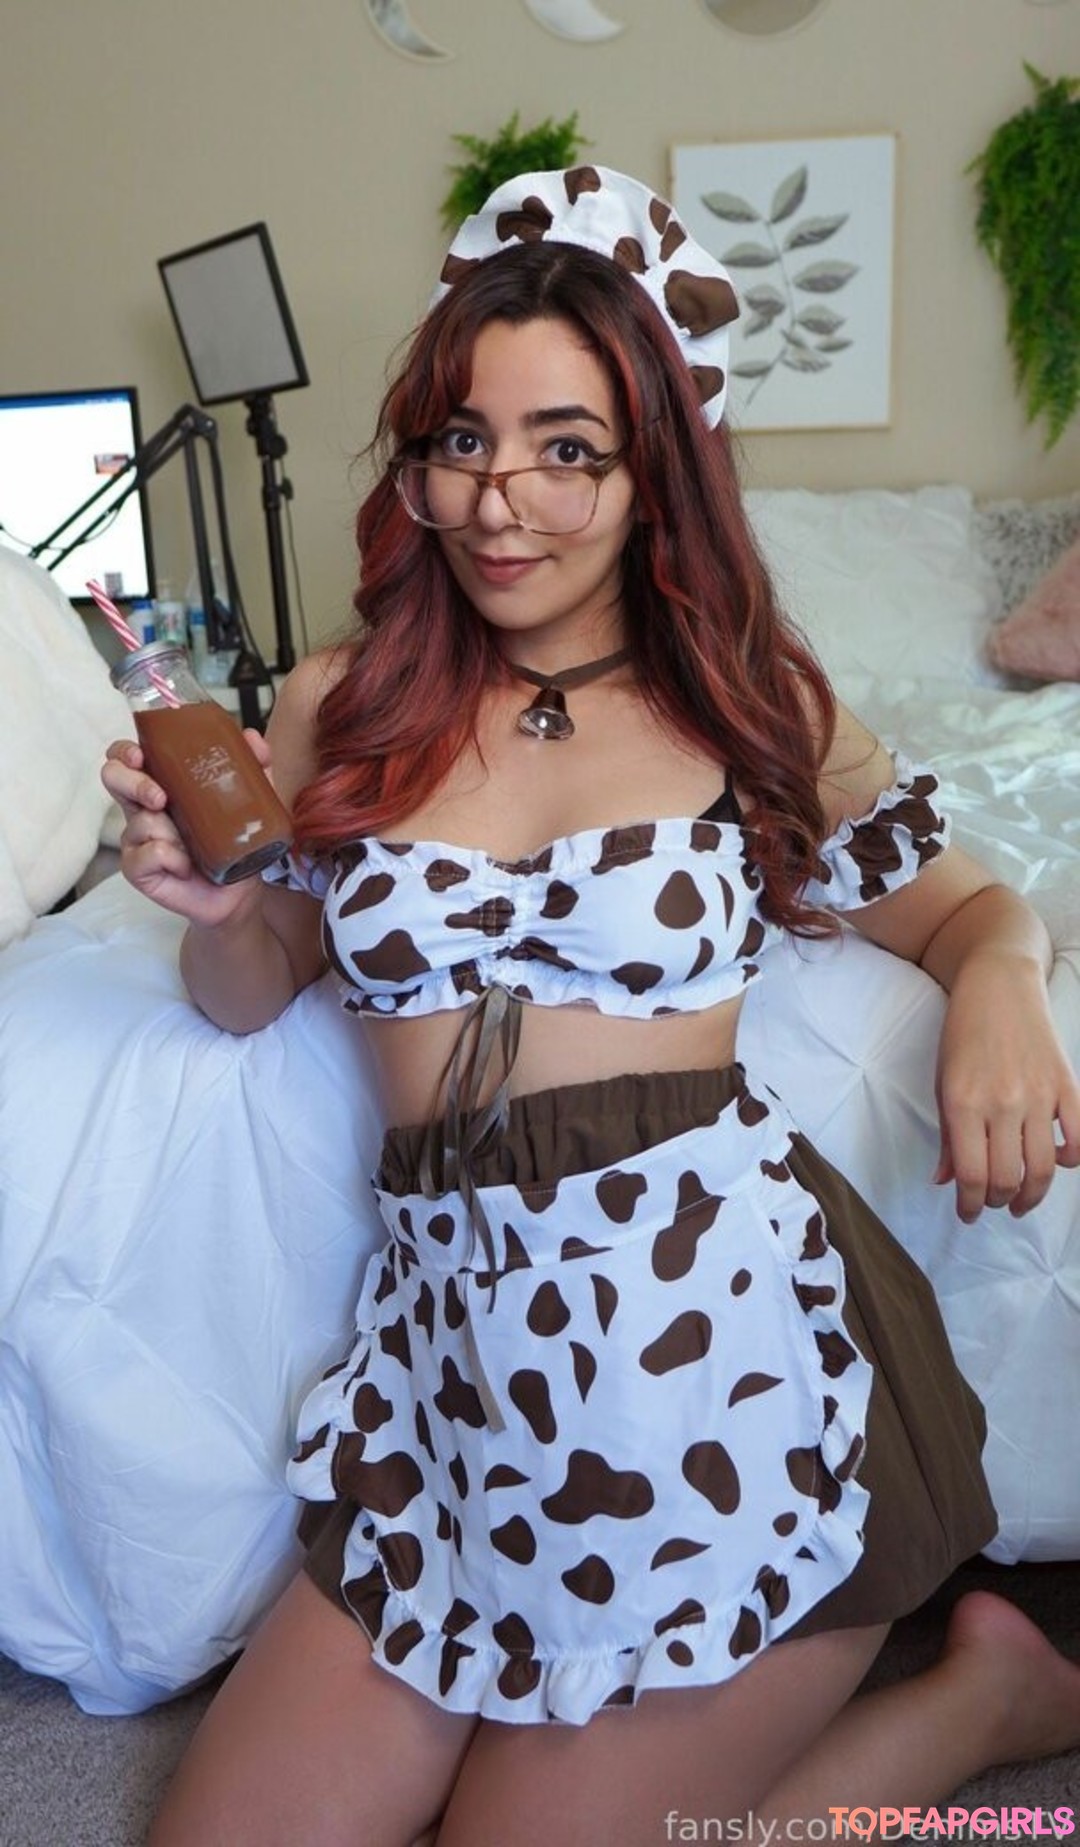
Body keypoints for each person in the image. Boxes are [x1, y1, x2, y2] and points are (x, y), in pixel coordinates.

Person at [104, 166, 1080, 1847]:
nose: (503, 503)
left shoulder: (746, 700)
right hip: (450, 1382)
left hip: (715, 1371)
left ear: (651, 473)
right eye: (463, 443)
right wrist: (214, 908)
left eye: (569, 449)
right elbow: (253, 988)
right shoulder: (346, 698)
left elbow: (970, 904)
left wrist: (1002, 981)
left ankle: (977, 1701)